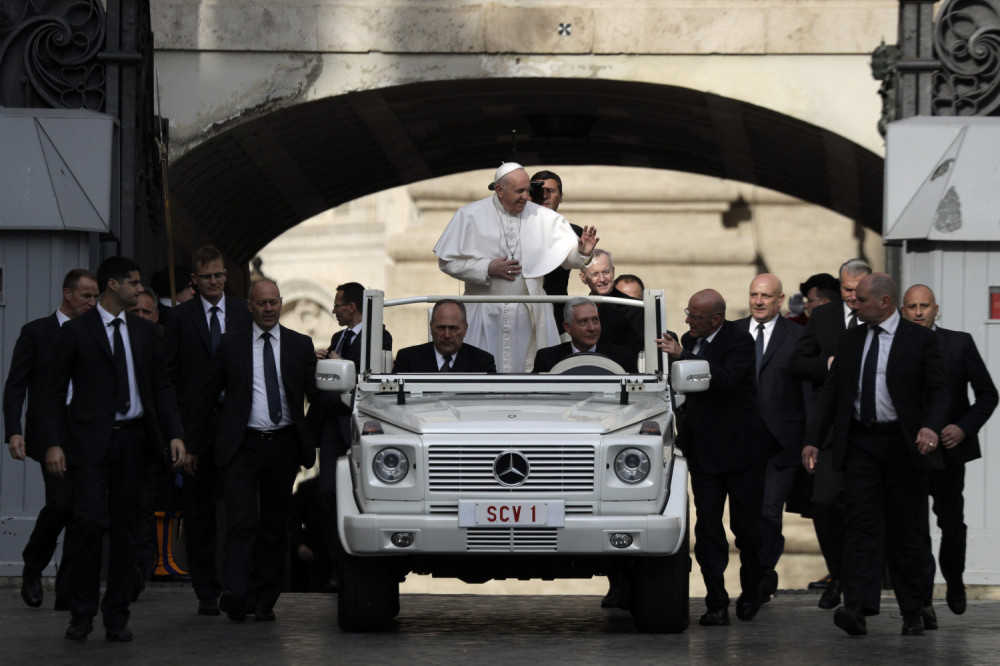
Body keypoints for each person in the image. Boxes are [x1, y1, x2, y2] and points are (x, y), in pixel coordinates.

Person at [45, 256, 186, 642]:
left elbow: (161, 388)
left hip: (134, 442)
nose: (139, 290)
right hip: (89, 444)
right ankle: (81, 613)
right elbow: (53, 392)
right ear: (112, 284)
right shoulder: (76, 332)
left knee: (126, 529)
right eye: (133, 283)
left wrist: (174, 433)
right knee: (87, 523)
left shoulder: (146, 334)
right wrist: (52, 443)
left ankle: (117, 615)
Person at [802, 273, 949, 637]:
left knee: (906, 530)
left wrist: (930, 426)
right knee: (861, 526)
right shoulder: (851, 339)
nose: (854, 303)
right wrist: (812, 440)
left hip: (903, 445)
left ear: (884, 302)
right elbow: (832, 393)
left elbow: (940, 390)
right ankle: (857, 606)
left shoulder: (919, 340)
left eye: (862, 300)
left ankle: (913, 609)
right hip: (861, 444)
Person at [188, 279, 317, 623]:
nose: (269, 308)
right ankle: (234, 592)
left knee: (274, 525)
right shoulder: (231, 345)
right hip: (242, 446)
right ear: (250, 306)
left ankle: (264, 600)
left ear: (280, 302)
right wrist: (191, 444)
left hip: (284, 445)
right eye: (262, 303)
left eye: (274, 302)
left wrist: (312, 432)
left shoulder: (299, 345)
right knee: (241, 521)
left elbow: (316, 396)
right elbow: (206, 397)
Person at [656, 289, 772, 626]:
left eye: (694, 315)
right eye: (687, 312)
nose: (688, 320)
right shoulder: (693, 340)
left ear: (715, 320)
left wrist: (681, 355)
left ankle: (751, 591)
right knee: (707, 530)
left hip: (742, 452)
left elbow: (723, 379)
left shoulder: (739, 341)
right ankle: (716, 601)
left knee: (746, 529)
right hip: (704, 450)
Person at [434, 162, 598, 372]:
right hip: (485, 313)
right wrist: (487, 268)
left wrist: (583, 252)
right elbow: (447, 262)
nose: (525, 196)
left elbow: (566, 258)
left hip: (530, 313)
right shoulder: (470, 215)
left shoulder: (543, 217)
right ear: (499, 190)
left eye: (527, 189)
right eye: (519, 191)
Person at [164, 245, 253, 616]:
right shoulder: (178, 318)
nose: (214, 282)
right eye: (207, 277)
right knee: (199, 515)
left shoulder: (242, 312)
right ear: (194, 280)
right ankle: (205, 591)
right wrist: (180, 435)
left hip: (236, 424)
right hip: (196, 427)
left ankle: (237, 587)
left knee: (240, 511)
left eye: (219, 275)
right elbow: (168, 378)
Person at [4, 268, 98, 610]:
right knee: (61, 503)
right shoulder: (37, 332)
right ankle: (33, 565)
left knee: (82, 512)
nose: (92, 302)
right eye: (86, 295)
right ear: (67, 294)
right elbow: (16, 384)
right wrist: (14, 429)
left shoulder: (95, 333)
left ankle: (67, 588)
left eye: (96, 296)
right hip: (49, 432)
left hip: (84, 433)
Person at [901, 284, 998, 617]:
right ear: (901, 310)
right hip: (908, 452)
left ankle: (954, 581)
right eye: (911, 306)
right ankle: (922, 601)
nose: (918, 312)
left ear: (935, 309)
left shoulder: (959, 343)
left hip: (949, 450)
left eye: (924, 306)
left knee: (952, 524)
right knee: (914, 528)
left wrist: (964, 427)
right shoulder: (892, 346)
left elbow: (988, 394)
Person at [789, 258, 872, 609]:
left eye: (858, 290)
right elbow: (797, 363)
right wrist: (826, 365)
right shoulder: (824, 317)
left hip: (873, 430)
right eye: (845, 289)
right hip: (830, 431)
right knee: (823, 502)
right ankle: (837, 573)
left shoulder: (882, 316)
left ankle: (859, 584)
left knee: (867, 511)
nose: (852, 297)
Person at [734, 274, 805, 602]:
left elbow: (807, 391)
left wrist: (810, 439)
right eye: (753, 295)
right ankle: (756, 570)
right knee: (745, 515)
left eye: (765, 296)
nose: (758, 301)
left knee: (770, 511)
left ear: (780, 299)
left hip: (782, 440)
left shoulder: (798, 336)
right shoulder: (732, 334)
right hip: (741, 441)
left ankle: (762, 571)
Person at [532, 297, 637, 373]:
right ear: (567, 327)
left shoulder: (622, 357)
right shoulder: (547, 358)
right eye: (583, 321)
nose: (592, 328)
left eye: (595, 320)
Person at [393, 300, 496, 373]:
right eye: (441, 328)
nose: (447, 335)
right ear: (431, 327)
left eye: (453, 328)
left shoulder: (482, 362)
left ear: (465, 329)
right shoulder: (408, 359)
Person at [579, 249, 642, 354]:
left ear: (613, 271)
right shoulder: (578, 309)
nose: (602, 279)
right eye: (595, 274)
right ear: (583, 278)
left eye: (606, 272)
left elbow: (634, 351)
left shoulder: (634, 308)